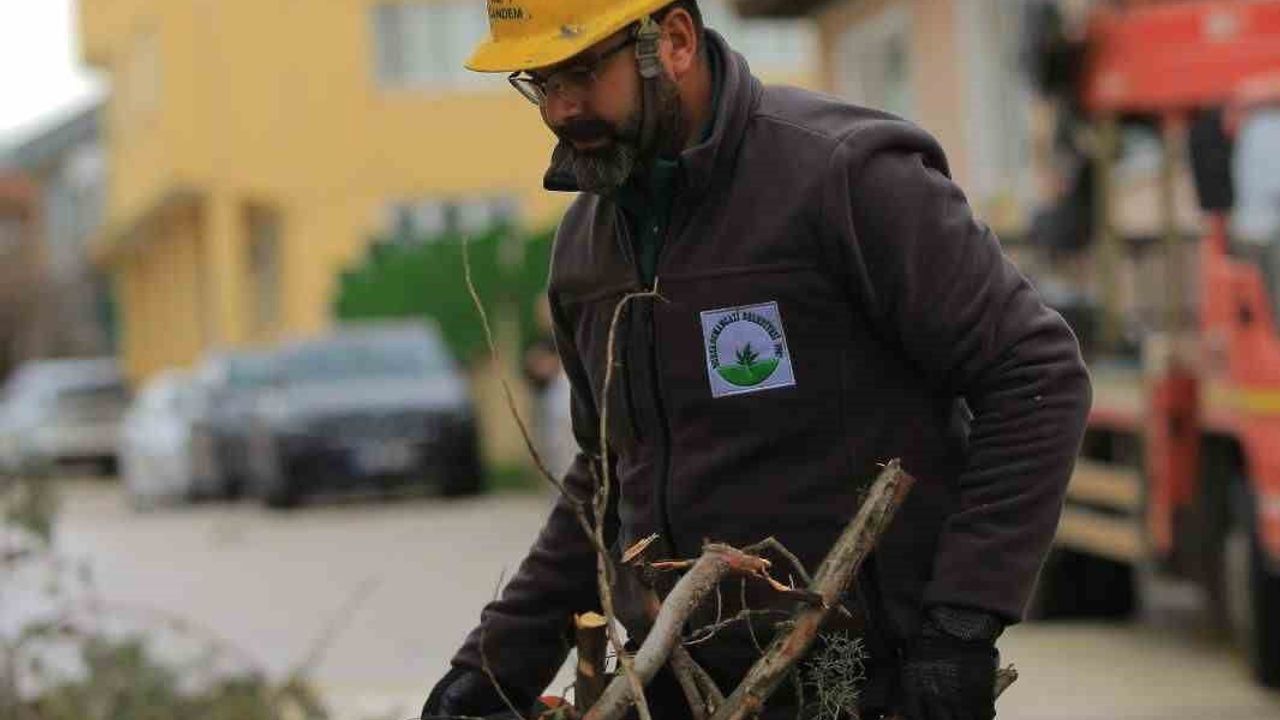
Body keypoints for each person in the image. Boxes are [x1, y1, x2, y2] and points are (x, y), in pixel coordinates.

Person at [423, 2, 1092, 719]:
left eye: (582, 71)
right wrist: (495, 667)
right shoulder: (587, 251)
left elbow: (1033, 374)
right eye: (540, 82)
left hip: (861, 684)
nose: (560, 108)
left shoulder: (844, 177)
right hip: (682, 689)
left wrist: (963, 620)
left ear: (673, 40)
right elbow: (608, 480)